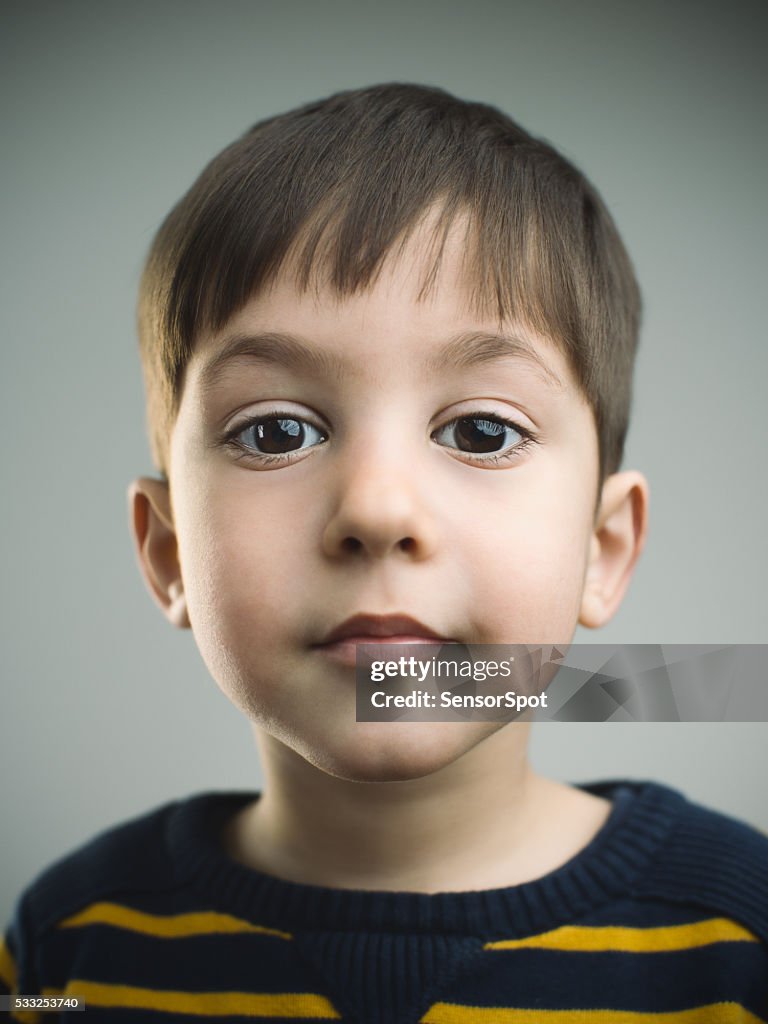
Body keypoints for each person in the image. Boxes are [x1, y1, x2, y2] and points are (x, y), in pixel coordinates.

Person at [2, 83, 766, 1023]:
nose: (375, 508)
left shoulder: (739, 941)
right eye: (277, 432)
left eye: (482, 432)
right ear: (166, 554)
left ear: (602, 550)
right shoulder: (70, 944)